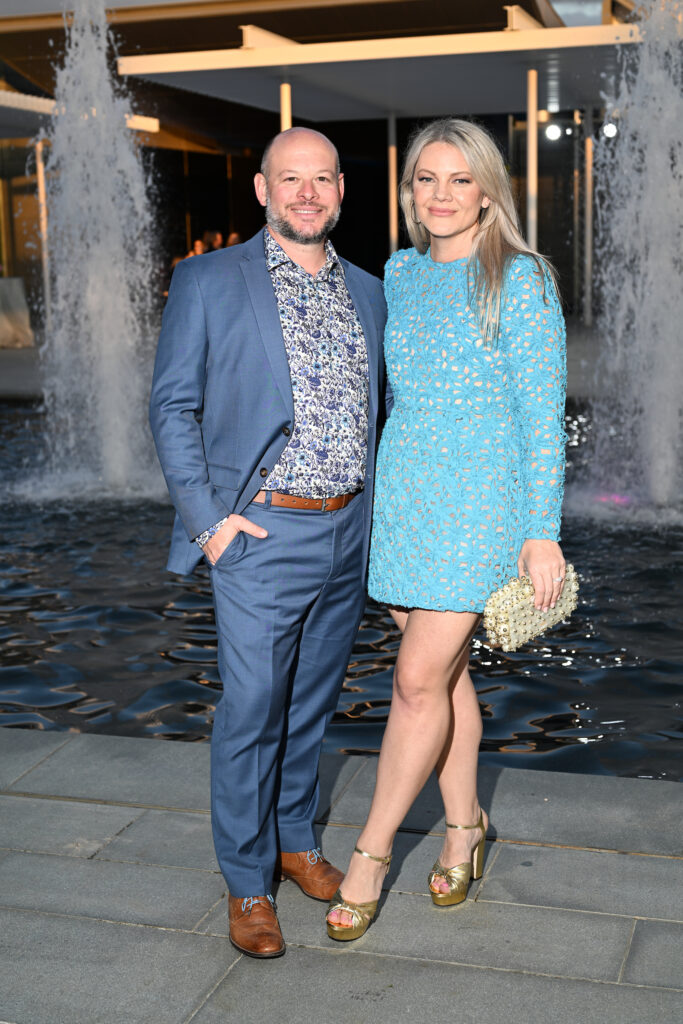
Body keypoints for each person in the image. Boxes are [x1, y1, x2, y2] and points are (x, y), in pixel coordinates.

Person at [149, 127, 390, 959]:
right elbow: (172, 408)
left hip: (346, 526)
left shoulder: (368, 288)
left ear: (339, 191)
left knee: (311, 704)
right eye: (291, 179)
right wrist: (211, 522)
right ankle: (248, 883)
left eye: (322, 178)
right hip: (260, 529)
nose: (307, 193)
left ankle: (296, 843)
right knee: (252, 710)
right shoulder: (209, 280)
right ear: (261, 189)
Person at [326, 118, 567, 940]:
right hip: (405, 499)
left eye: (459, 179)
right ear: (408, 190)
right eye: (425, 179)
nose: (440, 195)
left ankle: (369, 853)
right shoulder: (399, 272)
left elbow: (541, 417)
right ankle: (464, 828)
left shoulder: (522, 277)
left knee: (415, 681)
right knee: (447, 679)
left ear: (488, 189)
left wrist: (541, 530)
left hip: (480, 505)